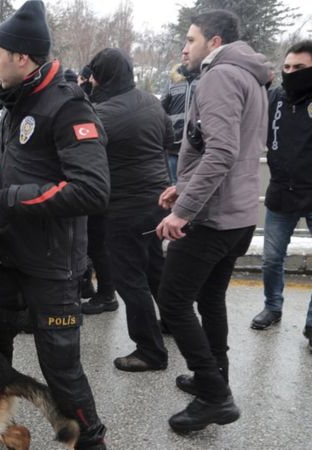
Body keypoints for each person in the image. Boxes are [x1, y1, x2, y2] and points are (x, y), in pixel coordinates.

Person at [0, 2, 110, 448]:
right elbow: (14, 164)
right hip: (14, 257)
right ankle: (1, 428)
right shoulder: (19, 101)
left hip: (53, 267)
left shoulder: (69, 108)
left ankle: (91, 441)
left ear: (23, 57)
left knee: (60, 370)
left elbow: (92, 190)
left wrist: (6, 201)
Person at [154, 10, 271, 433]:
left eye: (190, 39)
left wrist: (183, 210)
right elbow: (226, 150)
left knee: (173, 301)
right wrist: (182, 185)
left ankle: (214, 395)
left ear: (214, 41)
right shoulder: (251, 76)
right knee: (209, 297)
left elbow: (221, 151)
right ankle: (214, 375)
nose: (184, 47)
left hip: (212, 217)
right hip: (237, 213)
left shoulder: (220, 77)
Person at [87, 48, 172, 371]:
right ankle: (174, 322)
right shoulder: (152, 101)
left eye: (95, 74)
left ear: (104, 76)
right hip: (158, 201)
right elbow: (169, 138)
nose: (92, 80)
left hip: (124, 208)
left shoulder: (102, 114)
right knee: (153, 266)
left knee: (130, 278)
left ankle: (150, 350)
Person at [250, 40, 312, 352]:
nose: (291, 73)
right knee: (272, 259)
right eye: (287, 67)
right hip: (281, 193)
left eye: (299, 68)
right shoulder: (275, 98)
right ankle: (273, 307)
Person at [161, 63, 200, 184]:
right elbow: (161, 109)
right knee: (173, 185)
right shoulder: (173, 81)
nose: (185, 54)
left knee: (193, 184)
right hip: (174, 144)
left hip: (196, 144)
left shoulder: (205, 79)